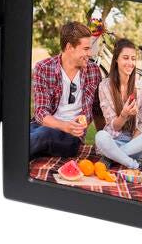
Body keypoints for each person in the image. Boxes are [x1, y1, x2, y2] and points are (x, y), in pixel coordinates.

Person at [30, 21, 102, 159]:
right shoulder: (43, 68)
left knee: (43, 135)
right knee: (24, 134)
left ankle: (11, 158)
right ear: (69, 47)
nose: (90, 53)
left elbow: (97, 109)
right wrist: (63, 125)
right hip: (43, 126)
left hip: (71, 136)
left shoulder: (93, 71)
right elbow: (40, 112)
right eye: (86, 49)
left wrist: (103, 140)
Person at [93, 39, 142, 173]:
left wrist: (134, 141)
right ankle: (135, 164)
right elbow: (114, 126)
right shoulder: (105, 86)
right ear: (116, 60)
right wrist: (124, 115)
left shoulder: (140, 87)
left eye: (133, 59)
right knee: (100, 137)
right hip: (113, 140)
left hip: (134, 143)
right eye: (125, 58)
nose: (130, 63)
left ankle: (112, 158)